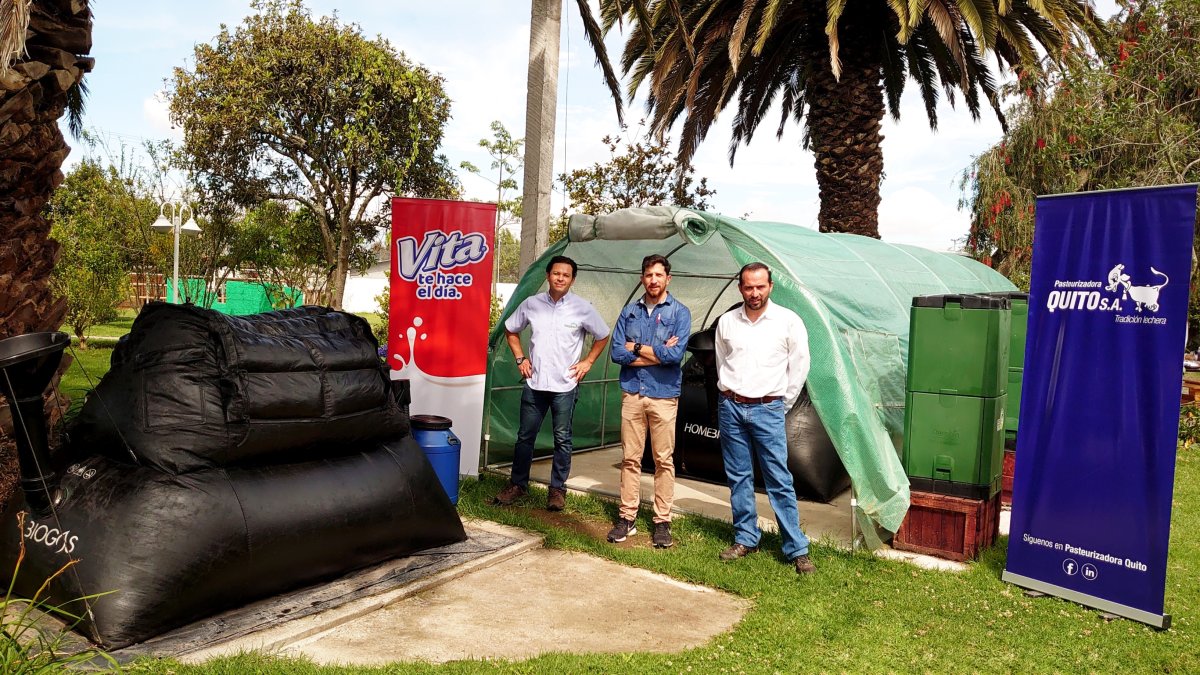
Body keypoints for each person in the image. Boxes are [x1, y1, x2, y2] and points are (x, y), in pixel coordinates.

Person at [714, 262, 816, 575]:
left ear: (770, 286)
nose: (754, 293)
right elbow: (722, 362)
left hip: (768, 408)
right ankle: (746, 538)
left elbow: (800, 366)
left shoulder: (788, 321)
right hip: (731, 407)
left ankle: (796, 549)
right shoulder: (727, 321)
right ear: (740, 288)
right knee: (738, 477)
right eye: (748, 287)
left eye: (760, 286)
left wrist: (780, 403)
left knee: (778, 480)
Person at [493, 255, 610, 511]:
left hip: (565, 386)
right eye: (556, 273)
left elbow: (603, 334)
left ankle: (557, 490)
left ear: (572, 280)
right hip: (535, 384)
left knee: (562, 439)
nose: (560, 278)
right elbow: (511, 330)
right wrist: (520, 358)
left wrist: (588, 362)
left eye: (566, 275)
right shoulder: (532, 304)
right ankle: (517, 485)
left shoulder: (582, 308)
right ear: (548, 276)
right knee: (525, 437)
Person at [607, 254, 692, 548]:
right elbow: (617, 353)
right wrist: (656, 353)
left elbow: (674, 356)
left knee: (663, 460)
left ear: (668, 278)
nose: (653, 280)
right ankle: (627, 517)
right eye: (648, 275)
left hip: (663, 395)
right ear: (642, 278)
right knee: (630, 459)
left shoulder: (679, 313)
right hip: (633, 393)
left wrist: (637, 347)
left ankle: (662, 521)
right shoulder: (630, 312)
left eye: (658, 275)